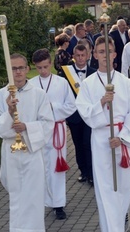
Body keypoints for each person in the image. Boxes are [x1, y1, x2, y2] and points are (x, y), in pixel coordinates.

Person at [75, 36, 130, 232]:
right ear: (95, 55)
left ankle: (122, 217)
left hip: (122, 138)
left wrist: (121, 137)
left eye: (108, 51)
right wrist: (102, 102)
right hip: (101, 139)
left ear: (115, 54)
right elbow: (85, 112)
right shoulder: (89, 84)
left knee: (125, 186)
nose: (105, 56)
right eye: (100, 52)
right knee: (106, 189)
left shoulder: (125, 81)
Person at [0, 53, 54, 232]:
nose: (17, 72)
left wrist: (27, 127)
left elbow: (48, 123)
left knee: (33, 196)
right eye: (13, 68)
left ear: (27, 69)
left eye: (20, 68)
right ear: (9, 71)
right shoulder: (0, 96)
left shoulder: (39, 95)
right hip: (11, 153)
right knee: (17, 194)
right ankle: (22, 231)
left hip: (32, 153)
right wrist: (9, 114)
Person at [30, 48, 76, 220]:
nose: (43, 70)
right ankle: (41, 201)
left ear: (50, 64)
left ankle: (58, 203)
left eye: (45, 67)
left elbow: (72, 105)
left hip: (57, 130)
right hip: (39, 130)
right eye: (39, 67)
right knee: (40, 167)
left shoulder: (61, 83)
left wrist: (53, 110)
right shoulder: (31, 85)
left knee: (57, 168)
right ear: (34, 66)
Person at [62, 44, 96, 185]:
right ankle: (83, 170)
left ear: (88, 55)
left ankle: (91, 172)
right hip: (74, 115)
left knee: (88, 143)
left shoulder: (94, 73)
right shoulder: (65, 74)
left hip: (90, 114)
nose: (81, 58)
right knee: (78, 144)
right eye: (78, 55)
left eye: (83, 55)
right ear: (73, 56)